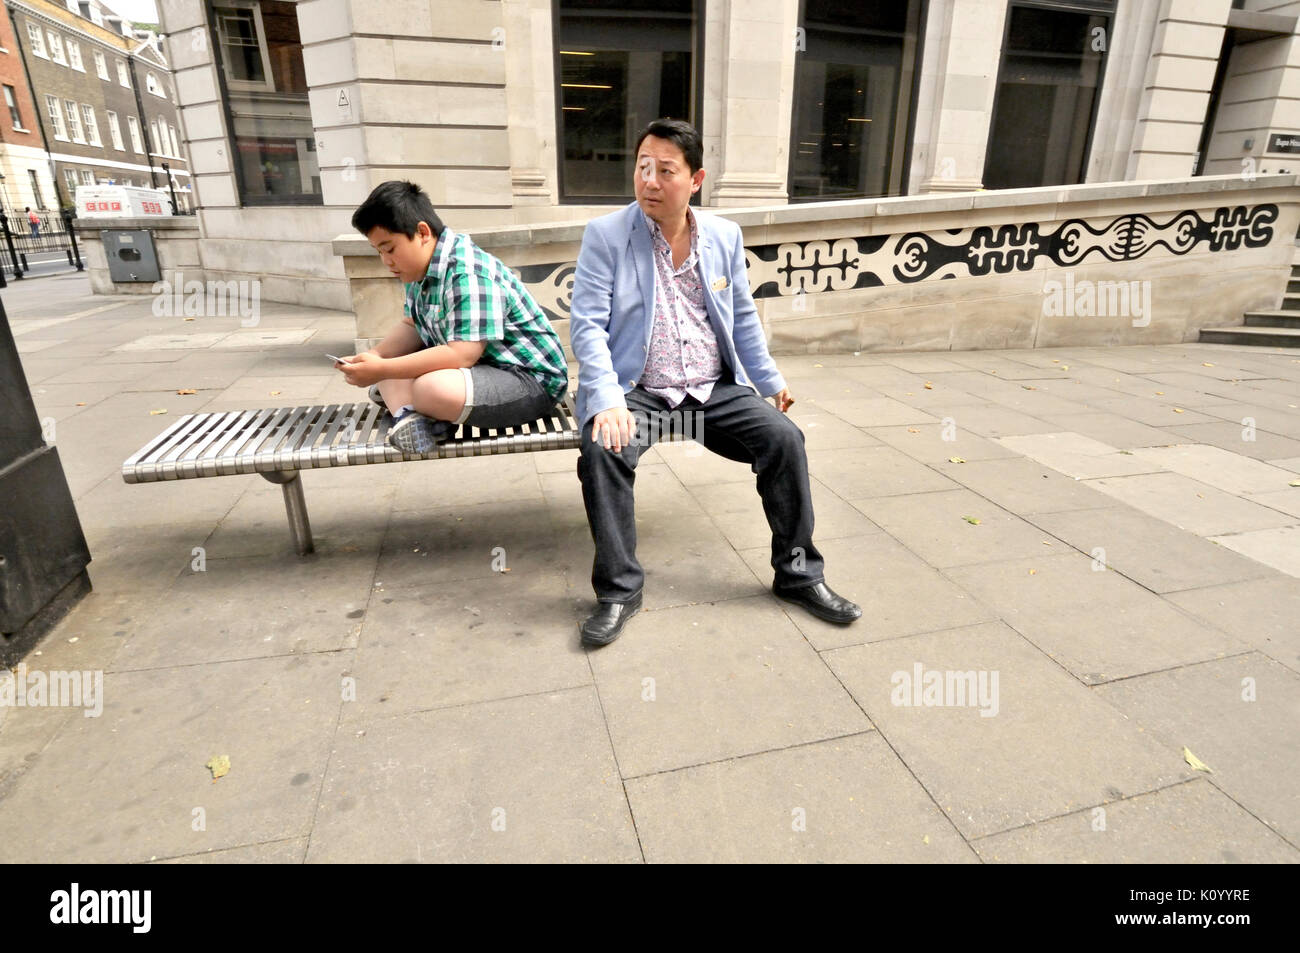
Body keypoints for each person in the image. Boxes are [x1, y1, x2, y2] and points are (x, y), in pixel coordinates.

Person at [569, 118, 862, 646]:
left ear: (695, 179)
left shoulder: (723, 236)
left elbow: (742, 315)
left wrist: (769, 379)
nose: (649, 181)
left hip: (710, 388)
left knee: (784, 440)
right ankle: (618, 590)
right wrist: (608, 399)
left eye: (665, 171)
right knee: (602, 450)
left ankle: (799, 576)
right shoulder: (607, 235)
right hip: (639, 390)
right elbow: (587, 324)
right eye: (642, 168)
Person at [340, 180, 569, 454]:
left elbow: (462, 355)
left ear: (422, 233)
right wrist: (375, 357)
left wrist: (382, 371)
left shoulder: (468, 273)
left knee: (426, 387)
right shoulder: (418, 270)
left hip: (530, 384)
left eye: (390, 249)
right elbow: (410, 325)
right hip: (479, 372)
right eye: (379, 252)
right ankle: (415, 419)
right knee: (389, 365)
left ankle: (418, 408)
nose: (386, 261)